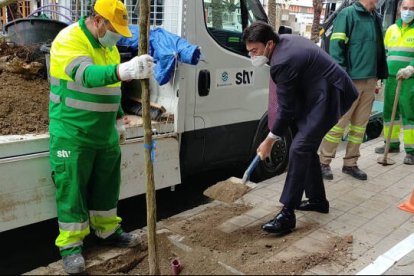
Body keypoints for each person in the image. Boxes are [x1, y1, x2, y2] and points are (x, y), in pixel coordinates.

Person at [48, 0, 154, 274]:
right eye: (113, 29)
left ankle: (107, 230)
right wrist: (125, 70)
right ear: (97, 21)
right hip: (73, 131)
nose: (116, 36)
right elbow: (84, 76)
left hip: (104, 132)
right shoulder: (69, 39)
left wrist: (119, 121)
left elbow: (112, 89)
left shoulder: (109, 49)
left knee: (108, 185)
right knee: (72, 189)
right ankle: (71, 246)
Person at [242, 21, 358, 234]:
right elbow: (288, 104)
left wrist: (269, 140)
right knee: (303, 143)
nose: (252, 56)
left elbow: (285, 109)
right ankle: (317, 201)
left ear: (268, 44)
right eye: (249, 52)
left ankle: (287, 214)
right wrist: (274, 133)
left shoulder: (282, 62)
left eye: (255, 51)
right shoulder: (282, 43)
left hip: (332, 94)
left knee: (299, 147)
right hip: (319, 92)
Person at [319, 0, 388, 181]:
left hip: (370, 79)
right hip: (351, 80)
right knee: (339, 123)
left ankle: (350, 163)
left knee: (359, 125)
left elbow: (377, 49)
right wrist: (342, 77)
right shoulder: (348, 14)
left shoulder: (375, 17)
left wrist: (378, 76)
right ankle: (323, 162)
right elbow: (336, 47)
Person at [375, 0, 414, 165]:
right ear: (399, 9)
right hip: (391, 78)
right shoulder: (391, 29)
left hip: (409, 79)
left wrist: (410, 69)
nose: (408, 11)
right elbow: (384, 53)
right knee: (389, 112)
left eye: (412, 9)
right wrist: (379, 75)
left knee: (409, 114)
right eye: (405, 8)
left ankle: (411, 151)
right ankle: (391, 144)